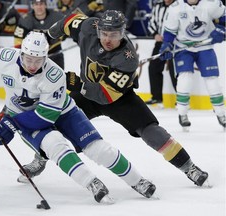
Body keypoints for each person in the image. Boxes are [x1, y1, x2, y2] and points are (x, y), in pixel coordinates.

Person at [0, 31, 157, 204]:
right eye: (28, 59)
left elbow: (45, 116)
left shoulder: (54, 75)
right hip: (20, 114)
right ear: (21, 53)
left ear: (45, 57)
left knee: (99, 149)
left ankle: (137, 180)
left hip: (62, 111)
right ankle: (91, 182)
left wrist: (11, 123)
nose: (32, 65)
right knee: (54, 143)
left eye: (38, 60)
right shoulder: (6, 57)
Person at [22, 10, 210, 188]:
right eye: (104, 33)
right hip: (86, 93)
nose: (108, 39)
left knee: (151, 130)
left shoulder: (128, 58)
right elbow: (68, 20)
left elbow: (104, 96)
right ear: (98, 29)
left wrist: (77, 84)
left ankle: (189, 167)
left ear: (122, 33)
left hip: (118, 98)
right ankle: (39, 159)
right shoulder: (88, 27)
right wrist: (47, 36)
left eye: (114, 34)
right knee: (54, 125)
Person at [159, 0, 226, 130]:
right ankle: (182, 113)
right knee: (185, 78)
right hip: (183, 47)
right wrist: (166, 45)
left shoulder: (211, 3)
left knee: (212, 80)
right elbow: (169, 33)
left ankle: (221, 113)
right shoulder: (175, 7)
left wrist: (222, 29)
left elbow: (224, 15)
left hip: (205, 46)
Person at [14, 0, 65, 69]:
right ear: (32, 6)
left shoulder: (57, 17)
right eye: (36, 4)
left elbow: (68, 28)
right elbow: (18, 39)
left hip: (54, 52)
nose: (39, 7)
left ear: (45, 5)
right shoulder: (25, 20)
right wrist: (20, 55)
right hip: (33, 57)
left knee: (58, 77)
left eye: (41, 4)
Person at [145, 0, 177, 107]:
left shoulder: (180, 6)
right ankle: (157, 97)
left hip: (176, 43)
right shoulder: (158, 6)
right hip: (161, 43)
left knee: (175, 70)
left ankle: (181, 99)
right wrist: (155, 34)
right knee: (153, 67)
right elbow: (151, 22)